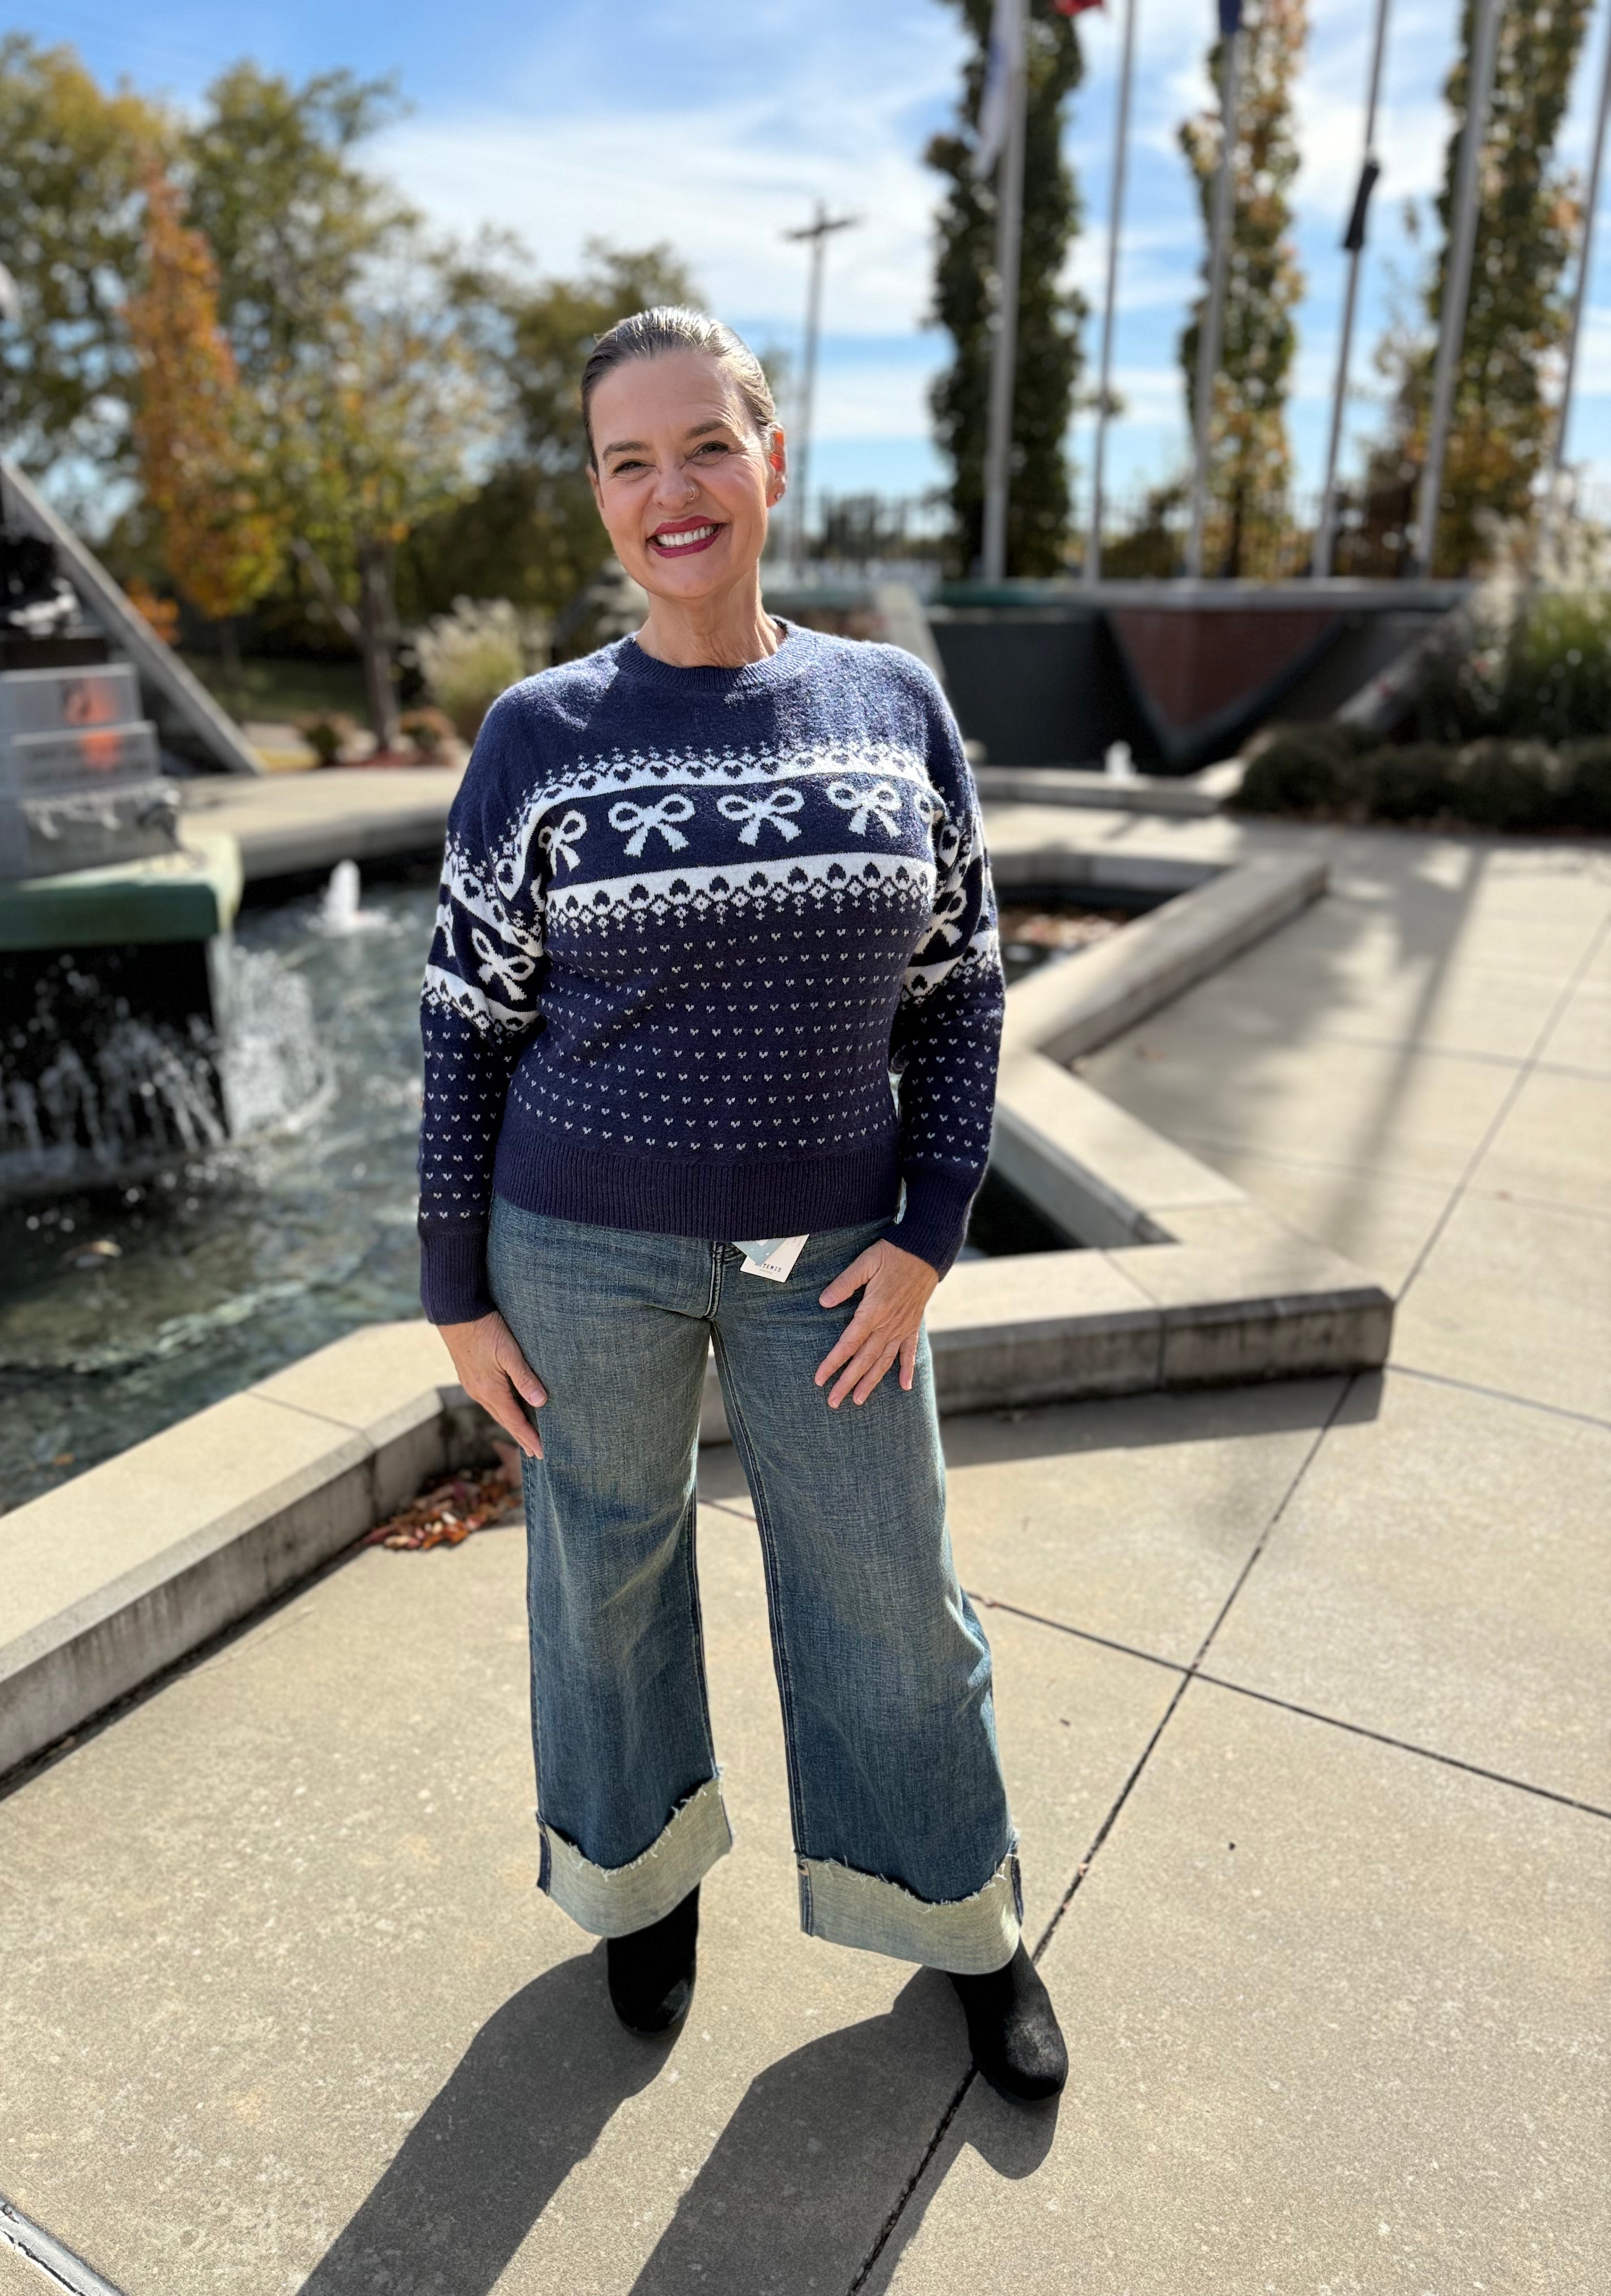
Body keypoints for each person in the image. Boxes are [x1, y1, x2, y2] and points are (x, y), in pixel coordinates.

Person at [417, 308, 1065, 2105]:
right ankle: (641, 1888)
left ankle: (961, 1919)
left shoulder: (889, 705)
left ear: (772, 461)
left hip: (838, 1260)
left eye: (706, 444)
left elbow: (962, 989)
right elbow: (467, 1021)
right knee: (604, 1582)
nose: (672, 489)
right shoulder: (537, 736)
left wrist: (930, 1233)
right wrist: (454, 1288)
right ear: (601, 499)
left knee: (891, 1593)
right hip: (580, 1256)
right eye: (630, 460)